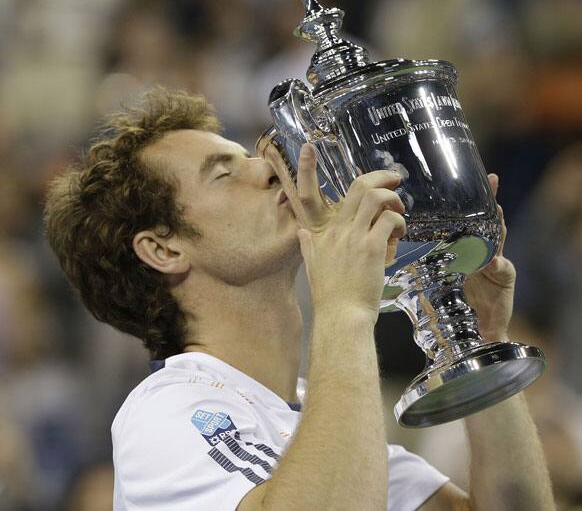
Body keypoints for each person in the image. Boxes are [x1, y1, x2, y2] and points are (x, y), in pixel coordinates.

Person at [44, 87, 556, 510]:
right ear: (163, 248)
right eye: (224, 174)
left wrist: (478, 341)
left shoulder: (318, 409)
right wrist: (344, 307)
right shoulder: (166, 412)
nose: (268, 169)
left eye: (248, 156)